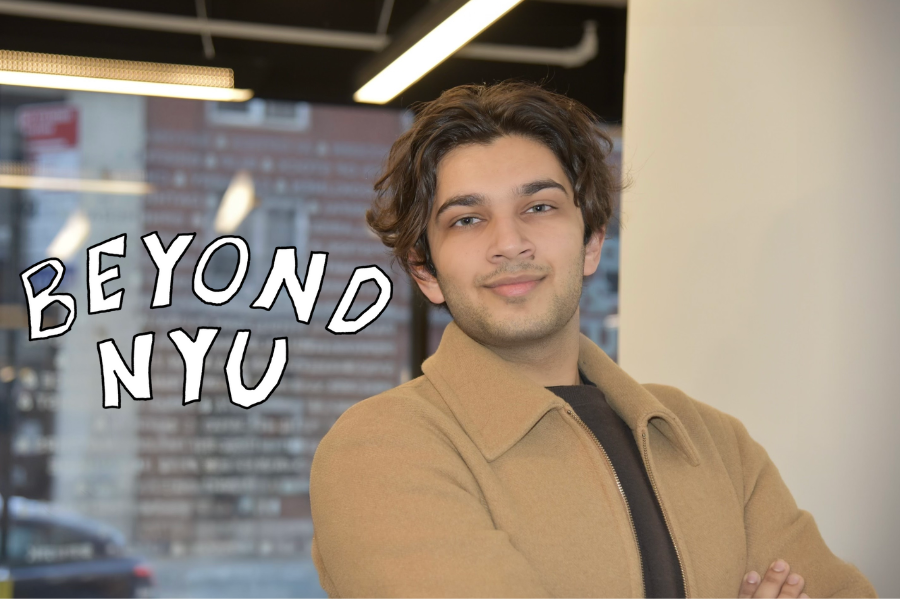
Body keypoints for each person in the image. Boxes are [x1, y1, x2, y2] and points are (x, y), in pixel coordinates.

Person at [308, 81, 876, 598]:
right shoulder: (381, 447)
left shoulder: (715, 443)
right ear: (424, 271)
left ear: (591, 244)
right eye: (467, 219)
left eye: (539, 207)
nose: (511, 242)